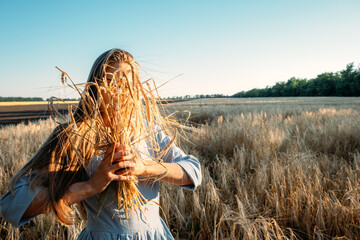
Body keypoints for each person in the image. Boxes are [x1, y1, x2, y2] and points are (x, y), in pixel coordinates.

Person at [0, 49, 202, 239]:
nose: (119, 92)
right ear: (94, 88)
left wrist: (143, 168)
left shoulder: (148, 130)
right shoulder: (76, 136)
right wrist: (91, 186)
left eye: (127, 85)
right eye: (109, 83)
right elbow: (11, 206)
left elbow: (193, 171)